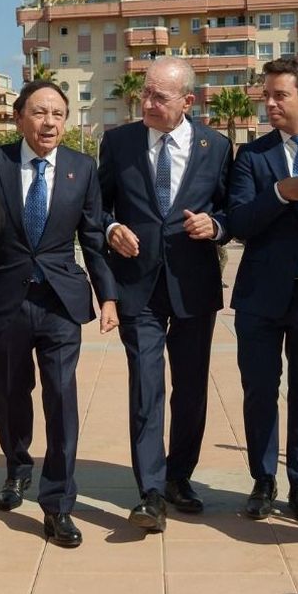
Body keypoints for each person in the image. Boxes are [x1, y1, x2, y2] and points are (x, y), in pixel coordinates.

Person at [0, 80, 118, 548]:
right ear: (19, 117)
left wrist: (108, 296)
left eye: (58, 114)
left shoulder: (82, 168)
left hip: (61, 302)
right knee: (10, 393)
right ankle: (17, 467)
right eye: (39, 113)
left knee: (61, 398)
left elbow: (94, 238)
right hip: (5, 301)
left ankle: (58, 503)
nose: (49, 122)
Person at [99, 56, 233, 533]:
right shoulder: (118, 142)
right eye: (145, 94)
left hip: (194, 287)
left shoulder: (216, 147)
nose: (148, 103)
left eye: (160, 96)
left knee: (191, 389)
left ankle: (180, 476)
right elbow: (99, 204)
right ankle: (150, 491)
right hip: (139, 287)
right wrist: (112, 226)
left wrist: (215, 225)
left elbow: (229, 208)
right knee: (146, 387)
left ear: (188, 101)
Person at [226, 56, 298, 523]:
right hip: (260, 297)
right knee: (259, 391)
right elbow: (238, 222)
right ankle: (263, 480)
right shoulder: (252, 156)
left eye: (279, 95)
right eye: (265, 95)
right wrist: (278, 195)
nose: (268, 103)